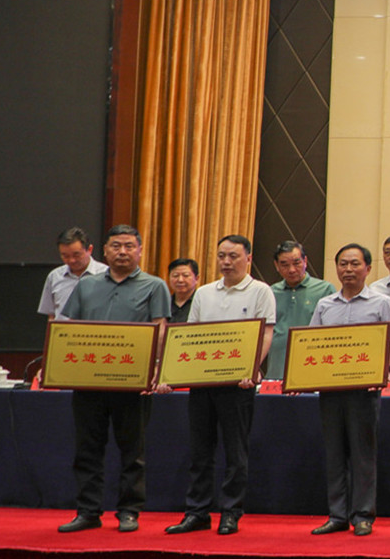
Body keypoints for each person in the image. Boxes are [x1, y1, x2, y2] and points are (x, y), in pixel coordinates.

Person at [54, 225, 171, 534]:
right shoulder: (86, 285)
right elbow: (71, 329)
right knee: (87, 450)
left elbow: (160, 329)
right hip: (89, 382)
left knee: (133, 451)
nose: (122, 252)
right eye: (116, 246)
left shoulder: (155, 286)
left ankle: (129, 511)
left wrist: (155, 369)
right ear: (104, 251)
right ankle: (88, 511)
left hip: (132, 383)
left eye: (129, 246)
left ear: (140, 251)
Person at [161, 235, 277, 535]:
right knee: (200, 451)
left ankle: (230, 512)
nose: (226, 262)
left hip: (239, 385)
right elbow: (190, 336)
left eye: (233, 256)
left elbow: (266, 333)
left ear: (248, 258)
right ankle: (197, 512)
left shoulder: (260, 291)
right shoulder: (204, 293)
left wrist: (251, 368)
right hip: (203, 382)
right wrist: (173, 373)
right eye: (222, 256)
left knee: (236, 453)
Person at [305, 244, 390, 536]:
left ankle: (362, 515)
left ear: (368, 269)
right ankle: (337, 515)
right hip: (331, 390)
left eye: (355, 264)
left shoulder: (382, 303)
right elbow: (310, 344)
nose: (348, 269)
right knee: (334, 453)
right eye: (343, 264)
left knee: (362, 454)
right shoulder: (325, 305)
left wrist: (380, 369)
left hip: (364, 390)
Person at [267, 241, 336, 380]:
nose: (291, 270)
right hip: (277, 366)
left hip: (312, 364)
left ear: (305, 261)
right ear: (276, 266)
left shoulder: (324, 289)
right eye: (284, 265)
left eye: (296, 263)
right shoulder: (270, 292)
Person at [38, 227, 109, 319]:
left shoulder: (106, 274)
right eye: (65, 256)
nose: (71, 260)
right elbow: (51, 315)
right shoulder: (54, 276)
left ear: (89, 249)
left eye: (76, 255)